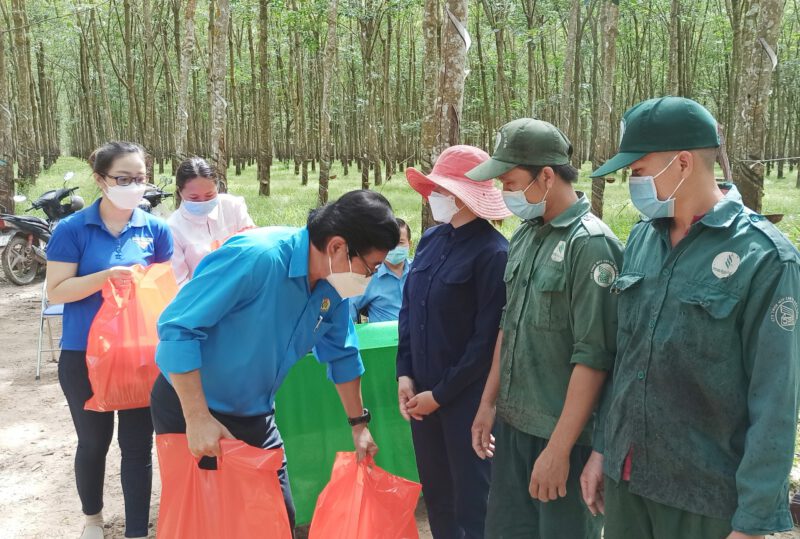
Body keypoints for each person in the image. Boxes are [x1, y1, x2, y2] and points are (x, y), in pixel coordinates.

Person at [580, 96, 800, 539]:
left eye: (638, 172)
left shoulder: (765, 259)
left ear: (681, 163)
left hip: (705, 496)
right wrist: (603, 450)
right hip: (631, 479)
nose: (632, 184)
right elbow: (627, 361)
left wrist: (754, 521)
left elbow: (776, 399)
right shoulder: (644, 238)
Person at [150, 189, 400, 533]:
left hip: (255, 412)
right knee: (210, 521)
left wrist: (359, 426)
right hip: (192, 404)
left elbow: (341, 354)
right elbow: (178, 328)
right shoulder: (257, 258)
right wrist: (197, 417)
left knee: (275, 516)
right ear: (338, 247)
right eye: (369, 267)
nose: (368, 279)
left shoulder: (333, 285)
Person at [467, 118, 622, 539]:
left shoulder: (590, 246)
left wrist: (559, 450)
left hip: (563, 438)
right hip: (515, 428)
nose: (505, 194)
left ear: (547, 176)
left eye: (511, 182)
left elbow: (595, 358)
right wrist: (488, 402)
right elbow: (509, 323)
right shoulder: (524, 237)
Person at [45, 141, 174, 539]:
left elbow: (164, 292)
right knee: (93, 442)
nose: (134, 185)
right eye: (123, 178)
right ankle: (93, 520)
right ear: (101, 180)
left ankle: (137, 530)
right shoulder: (73, 229)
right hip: (85, 355)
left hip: (139, 355)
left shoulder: (155, 229)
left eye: (140, 178)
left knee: (137, 447)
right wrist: (105, 278)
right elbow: (57, 290)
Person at [397, 145, 510, 538]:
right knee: (438, 494)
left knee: (472, 499)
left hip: (467, 402)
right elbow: (409, 310)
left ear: (462, 196)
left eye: (440, 191)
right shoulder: (430, 240)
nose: (433, 198)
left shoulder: (494, 254)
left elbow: (486, 342)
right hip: (422, 397)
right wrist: (405, 374)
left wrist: (442, 394)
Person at [167, 156, 255, 286]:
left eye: (209, 195)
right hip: (202, 295)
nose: (203, 202)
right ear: (180, 192)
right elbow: (179, 281)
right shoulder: (172, 228)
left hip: (243, 284)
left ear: (217, 187)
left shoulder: (233, 206)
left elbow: (253, 244)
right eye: (194, 198)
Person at [350, 218, 413, 323]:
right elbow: (349, 309)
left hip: (416, 336)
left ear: (410, 244)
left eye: (400, 242)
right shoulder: (369, 276)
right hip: (382, 337)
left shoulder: (419, 272)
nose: (394, 247)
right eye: (390, 243)